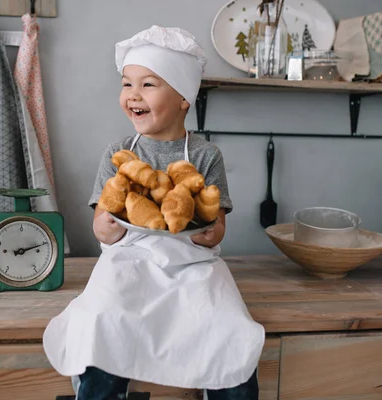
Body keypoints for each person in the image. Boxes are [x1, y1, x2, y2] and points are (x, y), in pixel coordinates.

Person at [43, 25, 265, 400]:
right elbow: (102, 223)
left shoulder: (206, 156)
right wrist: (108, 229)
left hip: (193, 264)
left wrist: (211, 233)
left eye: (148, 84)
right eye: (127, 84)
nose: (133, 95)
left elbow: (216, 224)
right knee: (104, 320)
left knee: (229, 326)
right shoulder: (119, 153)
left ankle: (224, 388)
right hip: (128, 259)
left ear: (183, 98)